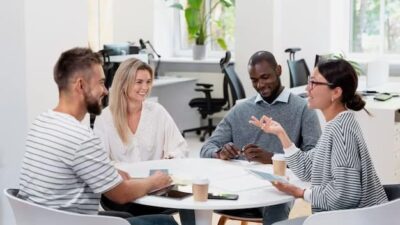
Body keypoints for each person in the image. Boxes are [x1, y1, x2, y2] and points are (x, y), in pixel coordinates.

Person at [18, 47, 178, 225]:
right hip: (73, 222)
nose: (106, 90)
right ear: (81, 85)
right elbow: (121, 194)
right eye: (101, 82)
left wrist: (110, 172)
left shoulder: (42, 122)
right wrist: (154, 181)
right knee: (165, 222)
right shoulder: (81, 138)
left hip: (44, 219)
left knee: (127, 219)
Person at [250, 59, 388, 225]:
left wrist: (301, 192)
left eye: (314, 83)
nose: (307, 88)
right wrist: (281, 133)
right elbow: (308, 169)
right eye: (309, 81)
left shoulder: (341, 132)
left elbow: (345, 195)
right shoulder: (336, 125)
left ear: (335, 93)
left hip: (353, 221)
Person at [200, 50, 322, 225]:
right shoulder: (241, 109)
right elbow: (207, 147)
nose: (260, 84)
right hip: (238, 187)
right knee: (194, 194)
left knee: (276, 206)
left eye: (265, 77)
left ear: (279, 71)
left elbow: (315, 159)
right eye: (254, 80)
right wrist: (219, 153)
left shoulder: (303, 109)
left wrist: (273, 159)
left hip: (278, 188)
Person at [93, 58, 194, 225]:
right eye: (139, 82)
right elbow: (101, 163)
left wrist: (170, 159)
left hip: (157, 190)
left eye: (148, 82)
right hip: (124, 194)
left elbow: (180, 147)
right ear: (123, 83)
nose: (145, 88)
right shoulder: (105, 118)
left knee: (192, 198)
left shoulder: (157, 112)